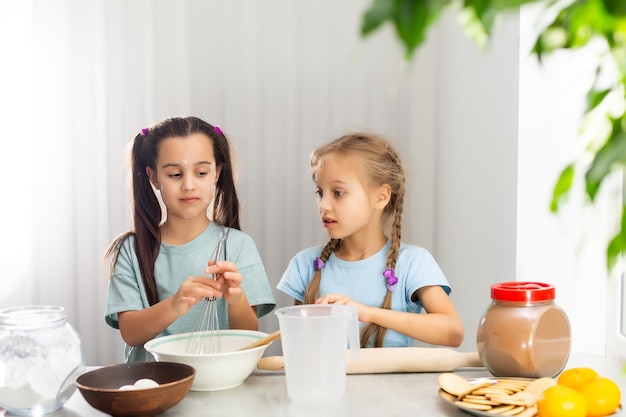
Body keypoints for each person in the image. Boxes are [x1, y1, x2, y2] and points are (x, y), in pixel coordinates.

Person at [104, 116, 276, 362]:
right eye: (175, 174)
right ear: (153, 177)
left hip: (220, 385)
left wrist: (236, 297)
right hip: (154, 388)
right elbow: (130, 333)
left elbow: (248, 336)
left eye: (201, 172)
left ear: (216, 173)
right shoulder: (131, 251)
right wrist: (175, 304)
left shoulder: (238, 246)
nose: (188, 185)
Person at [277, 132, 464, 348]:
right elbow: (296, 345)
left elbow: (453, 332)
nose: (323, 205)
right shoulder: (304, 265)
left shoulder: (413, 262)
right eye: (320, 192)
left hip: (395, 384)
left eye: (337, 193)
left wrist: (366, 313)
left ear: (381, 197)